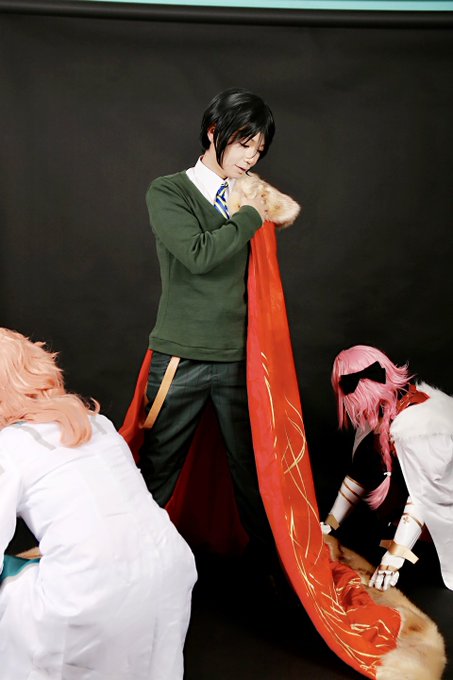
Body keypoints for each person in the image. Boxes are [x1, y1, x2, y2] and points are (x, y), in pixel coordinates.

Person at [0, 328, 197, 680]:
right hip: (171, 571)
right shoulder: (98, 422)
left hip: (90, 590)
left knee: (12, 589)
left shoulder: (10, 446)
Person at [139, 88, 276, 560]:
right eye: (244, 144)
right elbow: (198, 255)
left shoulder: (249, 194)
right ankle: (132, 569)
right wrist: (251, 217)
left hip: (239, 357)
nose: (251, 158)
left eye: (258, 149)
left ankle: (276, 578)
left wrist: (251, 209)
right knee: (158, 470)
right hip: (181, 354)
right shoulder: (168, 191)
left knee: (255, 475)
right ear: (215, 132)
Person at [322, 344, 453, 592]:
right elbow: (361, 471)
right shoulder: (379, 413)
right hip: (416, 519)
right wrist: (330, 524)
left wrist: (392, 560)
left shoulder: (420, 427)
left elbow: (424, 496)